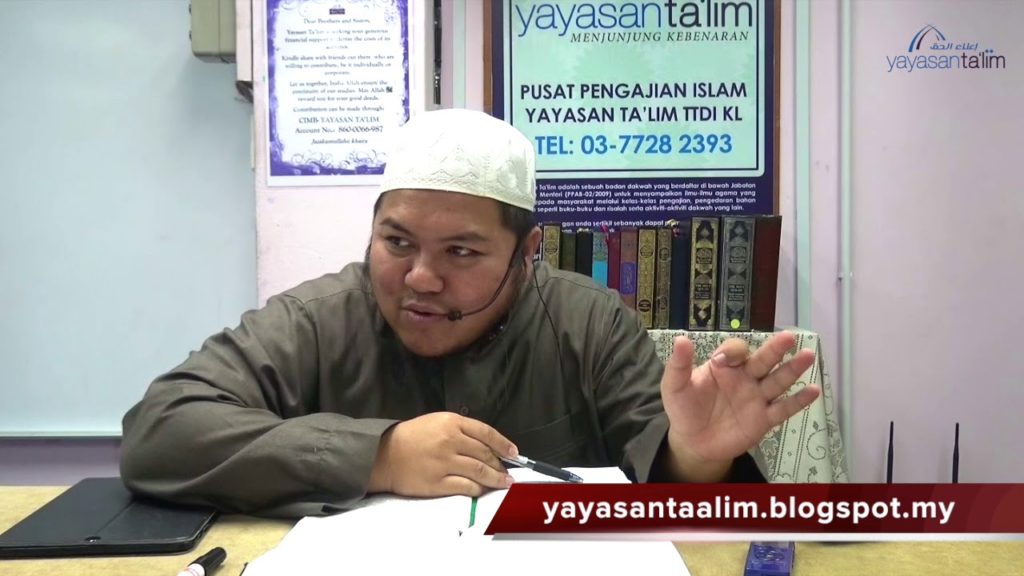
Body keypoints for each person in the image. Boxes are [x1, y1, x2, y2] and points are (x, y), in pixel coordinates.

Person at [120, 109, 819, 517]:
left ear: (528, 252)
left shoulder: (588, 323)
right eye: (397, 243)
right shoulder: (318, 319)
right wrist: (380, 455)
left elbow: (668, 483)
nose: (419, 278)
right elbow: (161, 431)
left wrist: (697, 458)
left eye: (461, 251)